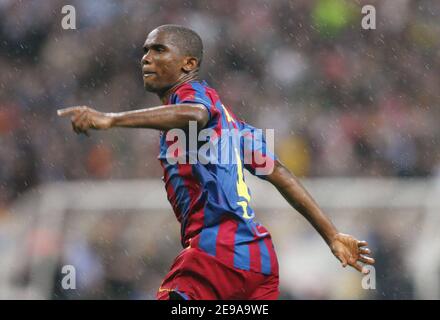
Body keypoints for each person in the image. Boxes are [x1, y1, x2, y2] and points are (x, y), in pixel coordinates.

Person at [58, 24, 374, 300]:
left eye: (158, 50)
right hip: (258, 259)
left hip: (217, 254)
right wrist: (331, 234)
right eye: (144, 51)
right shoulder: (233, 126)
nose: (146, 58)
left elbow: (195, 113)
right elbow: (278, 172)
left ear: (188, 64)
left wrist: (111, 120)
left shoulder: (194, 95)